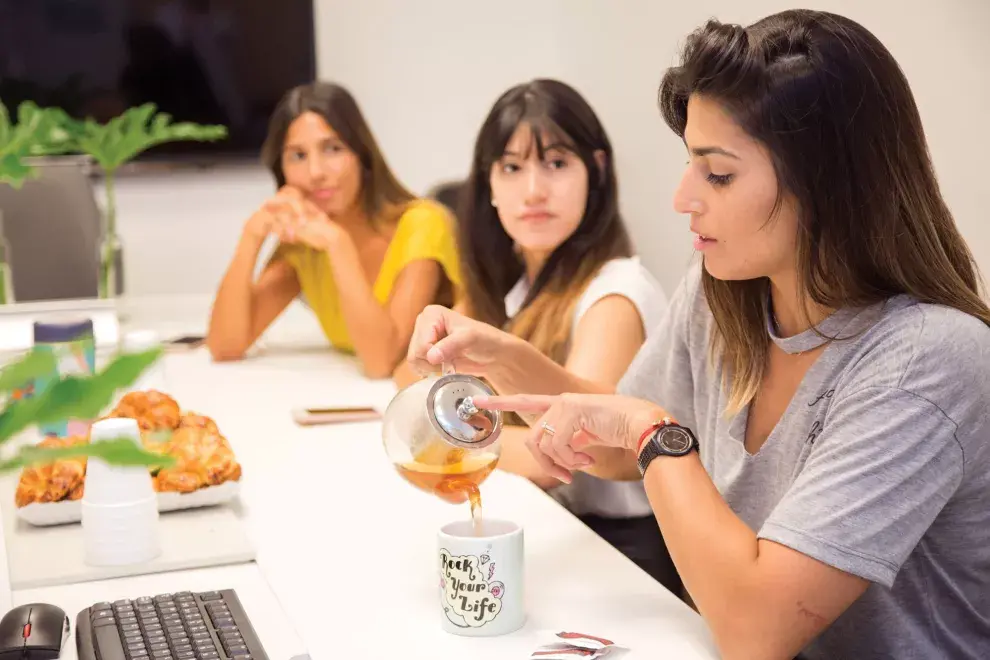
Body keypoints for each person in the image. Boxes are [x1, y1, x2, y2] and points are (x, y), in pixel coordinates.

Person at [409, 10, 990, 660]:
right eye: (691, 164)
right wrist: (503, 355)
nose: (683, 197)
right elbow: (614, 450)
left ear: (828, 185)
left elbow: (756, 630)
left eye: (717, 174)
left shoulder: (928, 359)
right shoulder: (725, 294)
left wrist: (655, 431)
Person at [404, 79, 678, 592]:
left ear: (596, 171)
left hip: (620, 556)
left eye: (555, 163)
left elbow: (557, 455)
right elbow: (413, 384)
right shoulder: (518, 283)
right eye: (511, 167)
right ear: (487, 183)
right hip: (561, 532)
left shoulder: (614, 294)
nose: (533, 190)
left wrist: (452, 440)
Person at [207, 82, 461, 377]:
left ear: (362, 155)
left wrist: (339, 246)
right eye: (298, 156)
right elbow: (225, 347)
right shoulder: (306, 241)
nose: (316, 172)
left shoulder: (423, 223)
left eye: (333, 149)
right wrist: (251, 237)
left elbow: (381, 362)